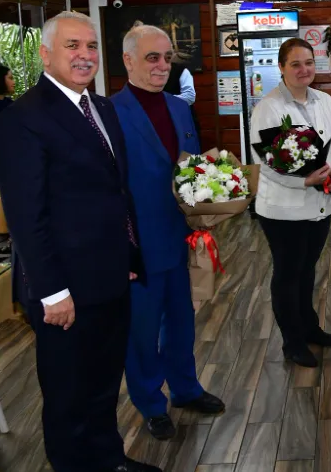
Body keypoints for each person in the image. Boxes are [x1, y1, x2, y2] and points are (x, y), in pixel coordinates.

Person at [0, 11, 158, 472]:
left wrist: (127, 255)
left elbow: (114, 192)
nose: (85, 55)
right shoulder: (22, 118)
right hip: (62, 289)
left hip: (110, 276)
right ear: (46, 54)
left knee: (105, 384)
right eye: (72, 46)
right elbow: (26, 216)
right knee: (69, 397)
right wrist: (52, 291)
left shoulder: (101, 108)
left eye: (90, 46)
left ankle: (110, 461)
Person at [111, 25, 225, 442]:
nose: (162, 66)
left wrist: (213, 199)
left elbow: (192, 170)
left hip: (183, 240)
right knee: (141, 331)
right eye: (151, 58)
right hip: (138, 243)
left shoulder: (180, 109)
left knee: (182, 322)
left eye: (166, 58)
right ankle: (150, 403)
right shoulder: (111, 113)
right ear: (128, 61)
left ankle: (185, 388)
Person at [250, 37, 331, 368]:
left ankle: (309, 328)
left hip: (319, 204)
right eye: (295, 63)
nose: (304, 69)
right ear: (281, 68)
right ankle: (292, 342)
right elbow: (266, 161)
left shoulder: (323, 100)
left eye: (308, 62)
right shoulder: (268, 107)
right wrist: (302, 180)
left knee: (307, 271)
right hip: (282, 209)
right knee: (288, 274)